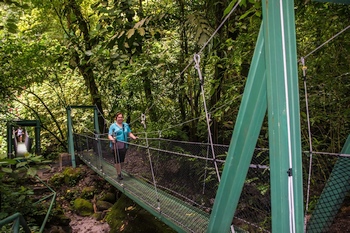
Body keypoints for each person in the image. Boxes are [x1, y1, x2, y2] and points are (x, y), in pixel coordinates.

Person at [108, 112, 137, 180]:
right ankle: (119, 174)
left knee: (122, 160)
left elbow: (129, 133)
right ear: (116, 118)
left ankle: (120, 171)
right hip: (115, 145)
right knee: (117, 160)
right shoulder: (113, 126)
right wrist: (112, 140)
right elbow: (109, 135)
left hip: (124, 145)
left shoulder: (126, 125)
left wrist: (134, 137)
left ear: (123, 118)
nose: (120, 118)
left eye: (121, 117)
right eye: (119, 117)